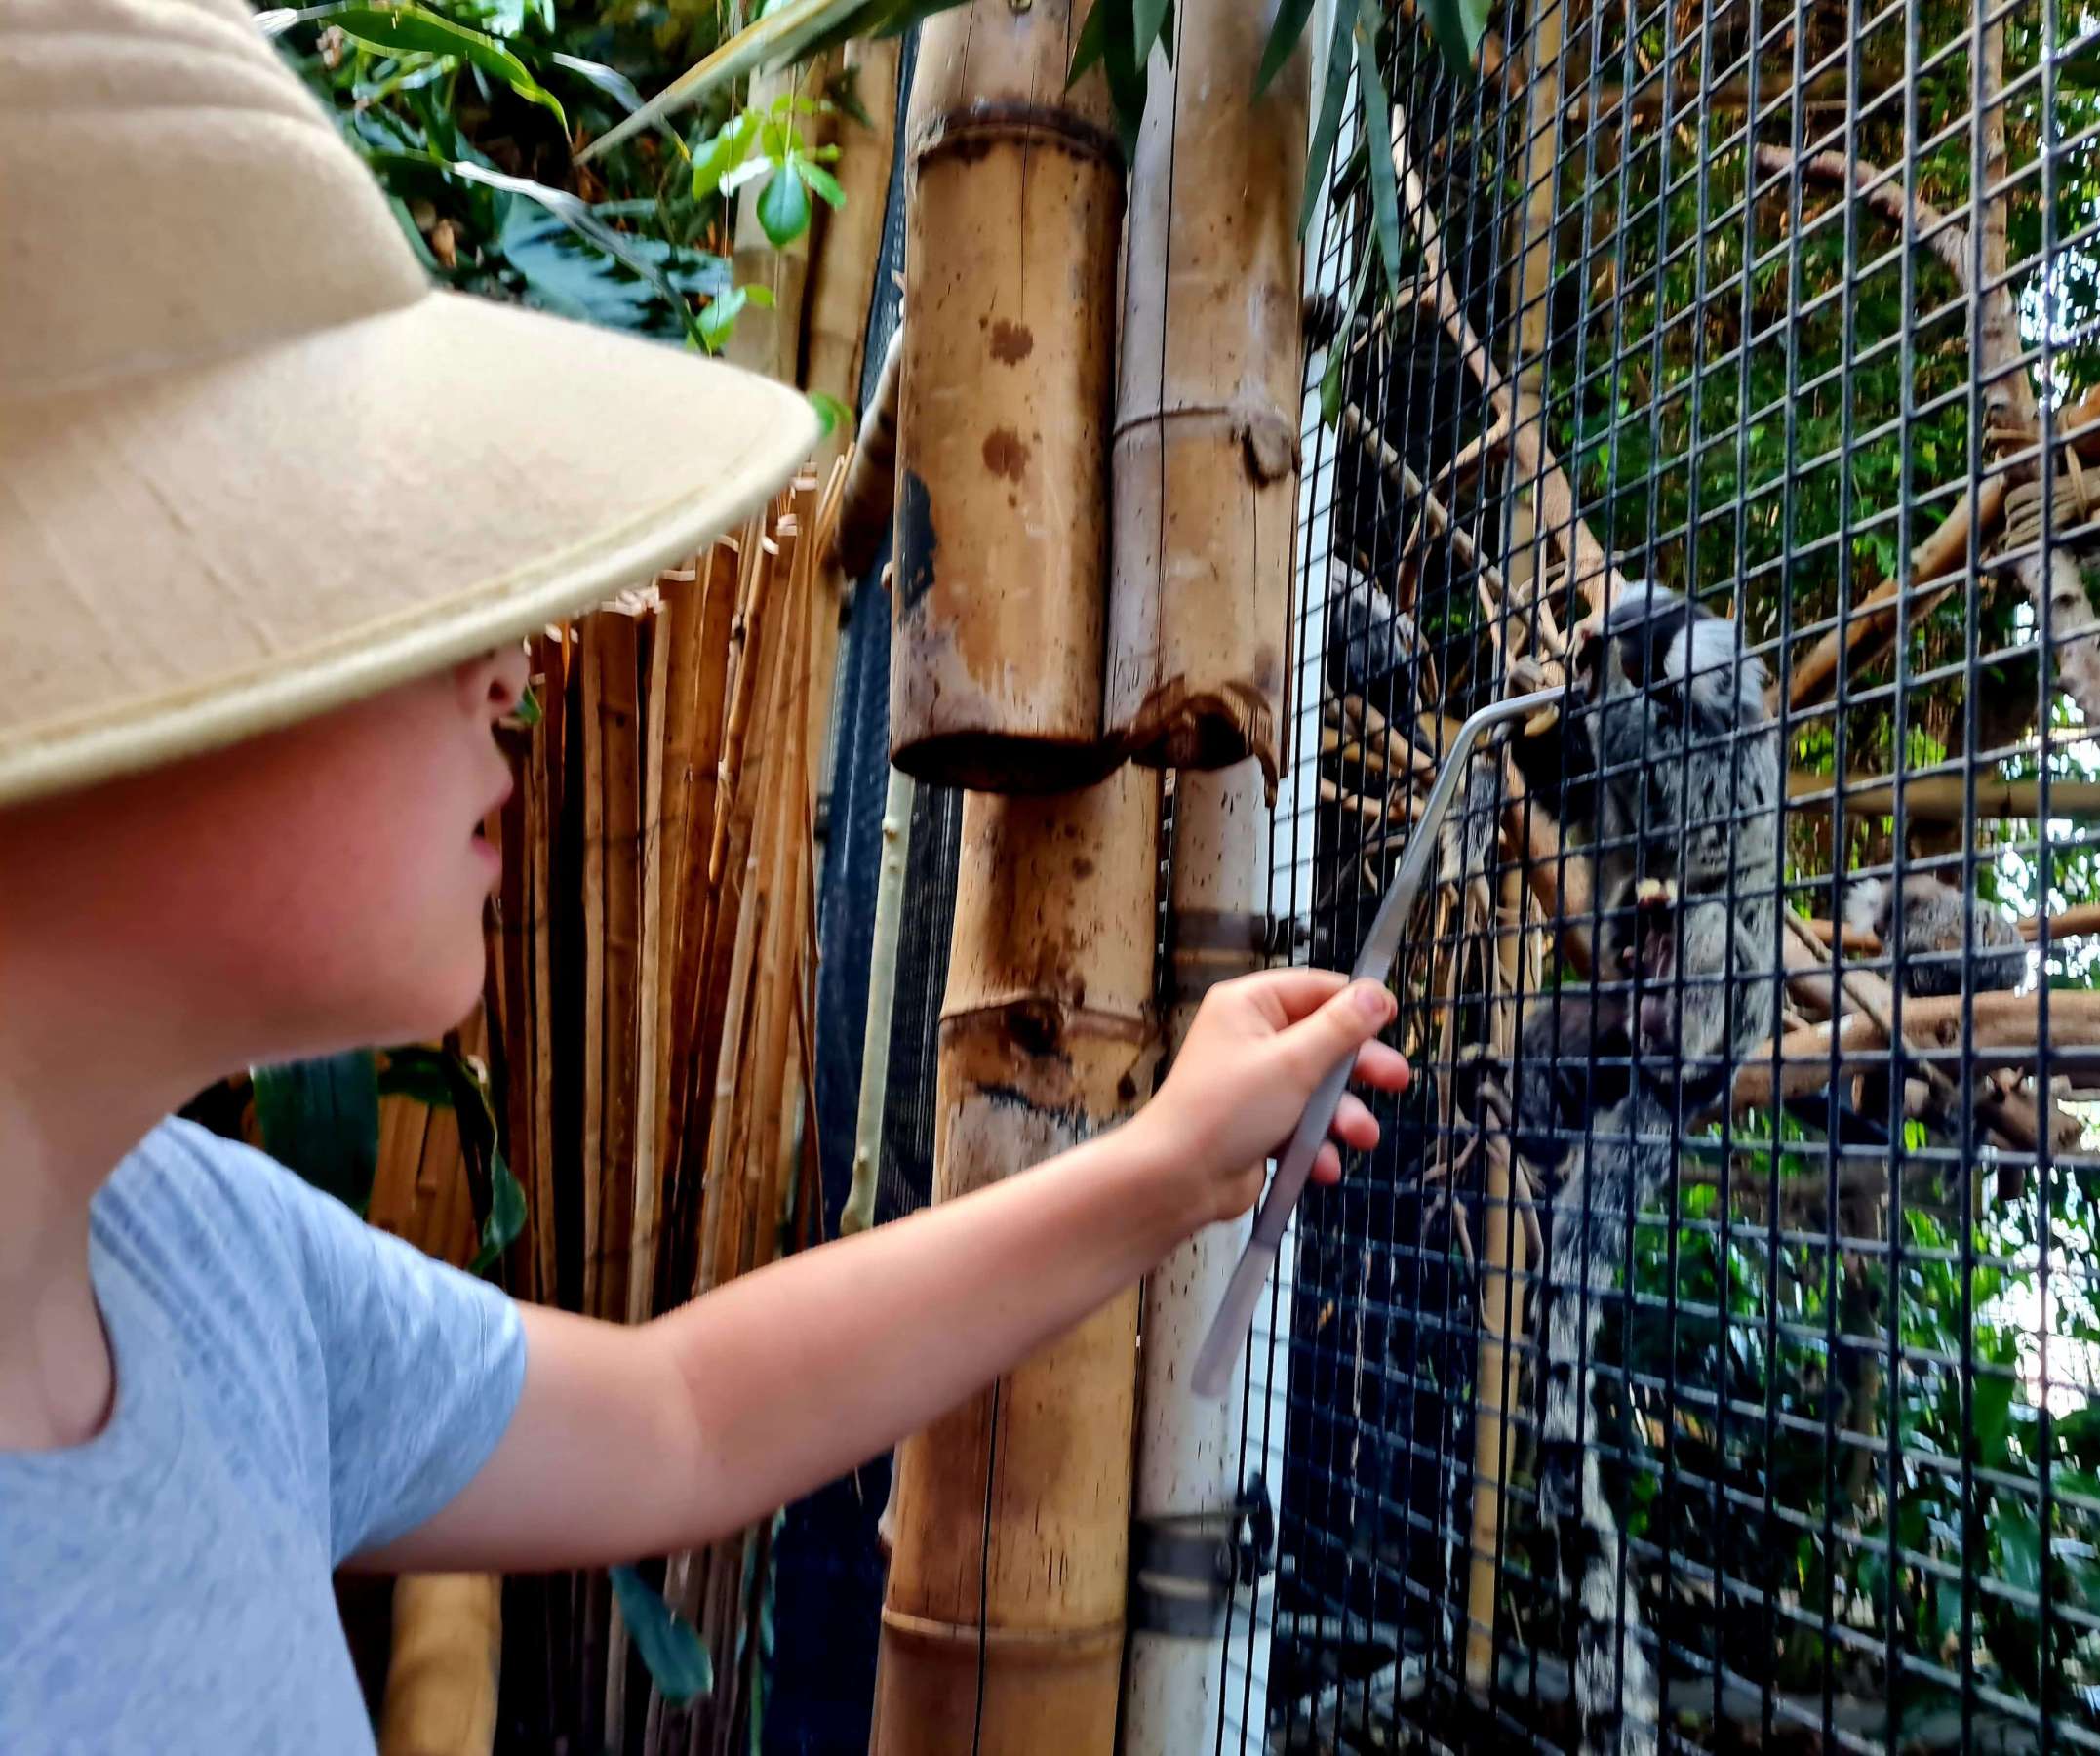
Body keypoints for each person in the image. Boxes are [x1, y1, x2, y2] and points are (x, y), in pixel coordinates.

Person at [0, 1, 1407, 1747]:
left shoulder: (198, 1267)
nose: (508, 663)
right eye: (367, 575)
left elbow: (679, 1416)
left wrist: (1166, 1169)